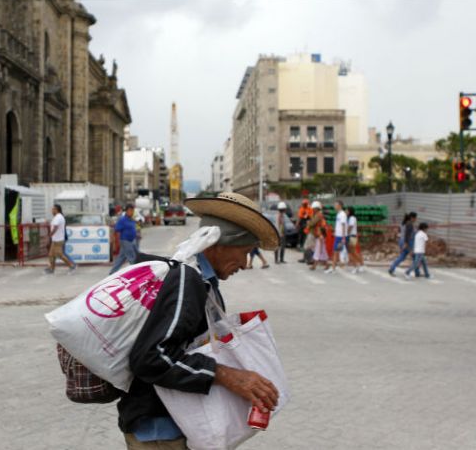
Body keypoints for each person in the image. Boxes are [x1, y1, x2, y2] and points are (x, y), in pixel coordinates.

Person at [117, 192, 280, 448]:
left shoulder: (203, 282)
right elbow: (150, 359)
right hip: (161, 431)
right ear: (218, 244)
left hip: (176, 427)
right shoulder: (187, 279)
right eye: (245, 252)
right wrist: (227, 375)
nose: (246, 264)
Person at [46, 204, 77, 275]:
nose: (52, 210)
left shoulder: (58, 217)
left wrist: (49, 235)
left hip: (58, 240)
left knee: (60, 255)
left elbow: (55, 228)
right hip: (55, 239)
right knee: (51, 255)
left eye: (53, 209)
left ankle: (72, 266)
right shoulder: (57, 217)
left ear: (57, 210)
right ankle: (52, 269)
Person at [109, 204, 138, 275]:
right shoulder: (122, 220)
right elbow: (117, 230)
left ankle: (112, 273)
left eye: (132, 211)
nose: (131, 212)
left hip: (132, 241)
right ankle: (136, 273)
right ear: (127, 211)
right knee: (132, 257)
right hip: (125, 240)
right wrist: (117, 242)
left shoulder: (131, 220)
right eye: (130, 211)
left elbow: (133, 229)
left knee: (121, 258)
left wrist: (137, 235)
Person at [389, 212, 420, 277]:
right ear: (412, 218)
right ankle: (416, 272)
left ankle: (392, 268)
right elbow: (407, 235)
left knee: (402, 256)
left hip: (402, 241)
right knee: (415, 258)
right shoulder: (409, 224)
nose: (416, 219)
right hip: (408, 242)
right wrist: (406, 244)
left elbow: (401, 232)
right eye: (415, 218)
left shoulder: (403, 223)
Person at [327, 200, 348, 274]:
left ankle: (333, 268)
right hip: (338, 235)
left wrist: (343, 237)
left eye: (335, 205)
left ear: (340, 206)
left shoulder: (342, 214)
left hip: (340, 237)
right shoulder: (339, 214)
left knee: (336, 252)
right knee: (336, 252)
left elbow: (343, 226)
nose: (334, 206)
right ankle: (333, 268)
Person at [309, 203, 330, 272]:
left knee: (318, 250)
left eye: (314, 208)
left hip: (320, 234)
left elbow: (312, 223)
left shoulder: (318, 215)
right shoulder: (317, 214)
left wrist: (308, 223)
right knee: (322, 250)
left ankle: (314, 265)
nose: (313, 210)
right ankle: (326, 264)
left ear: (317, 208)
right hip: (319, 234)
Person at [346, 207, 366, 274]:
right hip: (351, 236)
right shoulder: (350, 218)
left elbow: (350, 227)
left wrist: (346, 234)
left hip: (352, 236)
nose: (346, 212)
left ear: (350, 211)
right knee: (353, 252)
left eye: (347, 210)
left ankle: (358, 266)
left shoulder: (352, 218)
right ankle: (359, 265)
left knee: (352, 253)